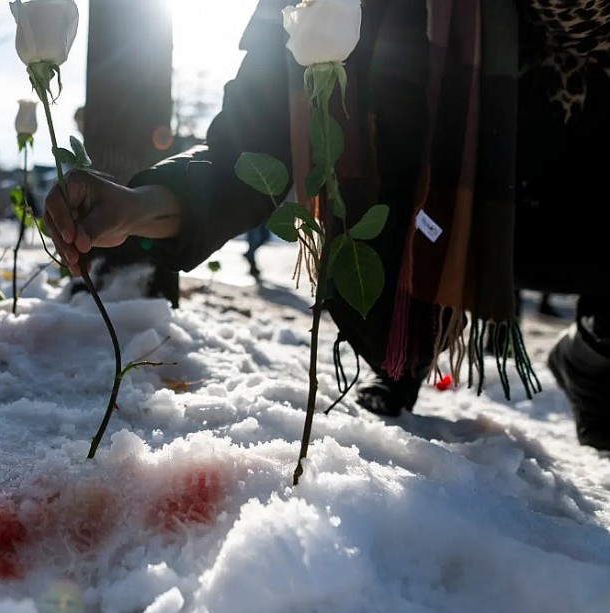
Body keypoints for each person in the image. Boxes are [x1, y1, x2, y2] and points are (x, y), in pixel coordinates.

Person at [44, 0, 610, 452]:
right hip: (425, 229)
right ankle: (399, 356)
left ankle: (597, 347)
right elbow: (246, 149)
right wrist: (140, 203)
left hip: (569, 204)